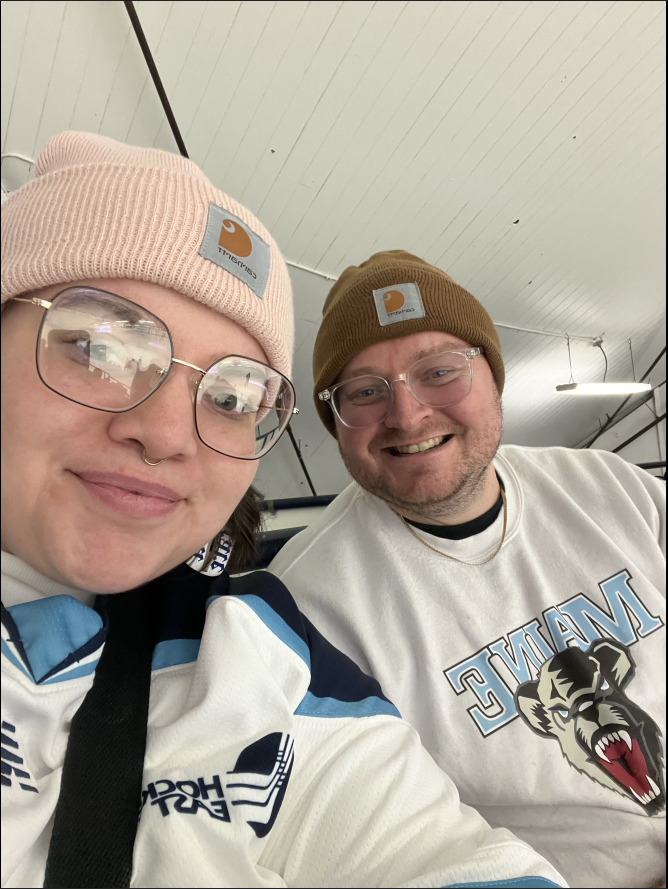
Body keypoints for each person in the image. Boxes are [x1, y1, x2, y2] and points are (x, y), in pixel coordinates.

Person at [0, 135, 567, 889]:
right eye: (100, 349)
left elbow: (436, 852)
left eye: (233, 395)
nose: (168, 433)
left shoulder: (251, 642)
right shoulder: (307, 597)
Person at [269, 250, 666, 889]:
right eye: (365, 391)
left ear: (493, 375)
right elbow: (373, 845)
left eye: (439, 372)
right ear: (334, 418)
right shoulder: (306, 609)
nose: (407, 415)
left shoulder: (611, 487)